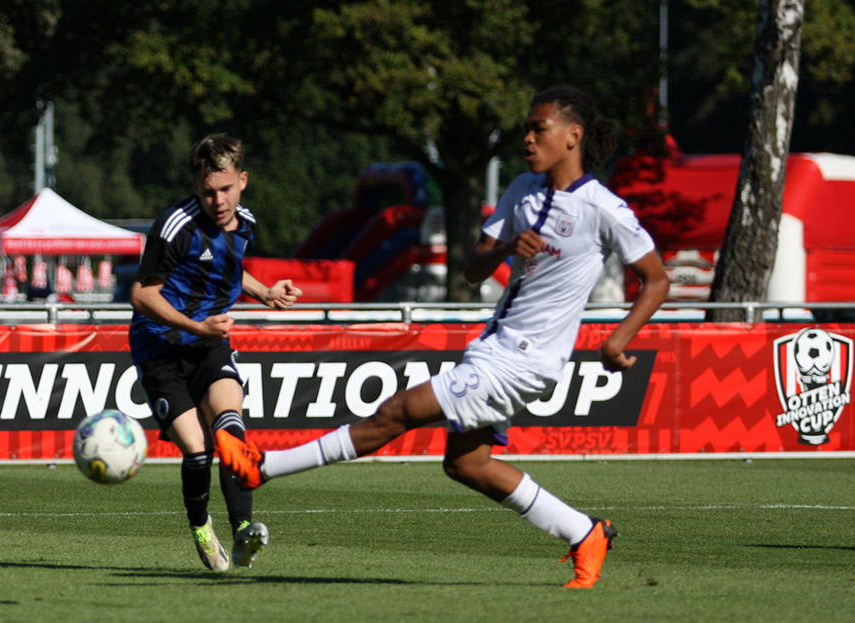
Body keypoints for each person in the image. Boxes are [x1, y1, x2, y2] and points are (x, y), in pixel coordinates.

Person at [217, 87, 670, 588]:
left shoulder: (602, 207)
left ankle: (263, 466)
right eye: (526, 127)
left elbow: (657, 278)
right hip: (495, 347)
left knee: (396, 412)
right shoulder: (522, 188)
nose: (527, 137)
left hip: (525, 361)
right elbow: (474, 269)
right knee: (467, 465)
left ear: (573, 137)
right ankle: (584, 533)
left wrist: (616, 341)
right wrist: (504, 250)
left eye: (539, 128)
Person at [129, 134, 302, 571]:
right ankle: (201, 525)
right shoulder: (175, 226)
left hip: (208, 344)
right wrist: (195, 325)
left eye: (225, 189)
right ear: (196, 185)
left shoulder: (245, 222)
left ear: (242, 180)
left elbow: (227, 266)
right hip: (160, 344)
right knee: (197, 451)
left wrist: (264, 293)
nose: (218, 199)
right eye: (208, 191)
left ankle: (244, 531)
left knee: (230, 429)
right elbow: (141, 295)